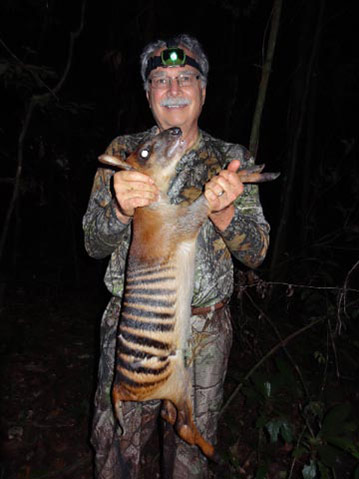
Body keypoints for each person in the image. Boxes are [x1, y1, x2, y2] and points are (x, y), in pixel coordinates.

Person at [83, 33, 270, 479]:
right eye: (161, 80)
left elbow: (257, 254)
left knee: (189, 461)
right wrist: (119, 209)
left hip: (205, 333)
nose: (173, 89)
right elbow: (93, 244)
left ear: (203, 91)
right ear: (147, 94)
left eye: (185, 78)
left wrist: (224, 214)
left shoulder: (231, 158)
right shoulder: (123, 155)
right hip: (133, 327)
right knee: (115, 450)